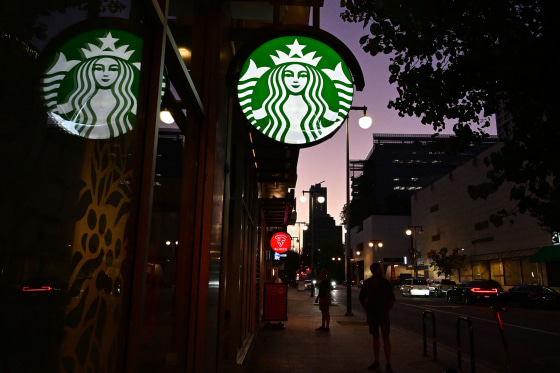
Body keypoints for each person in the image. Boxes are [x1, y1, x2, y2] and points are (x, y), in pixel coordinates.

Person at [359, 263, 396, 372]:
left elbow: (392, 299)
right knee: (376, 337)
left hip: (382, 313)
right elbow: (362, 298)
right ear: (374, 271)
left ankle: (387, 363)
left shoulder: (384, 283)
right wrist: (368, 309)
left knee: (385, 337)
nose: (380, 271)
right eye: (379, 270)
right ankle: (377, 361)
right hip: (375, 313)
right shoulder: (368, 283)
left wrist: (387, 311)